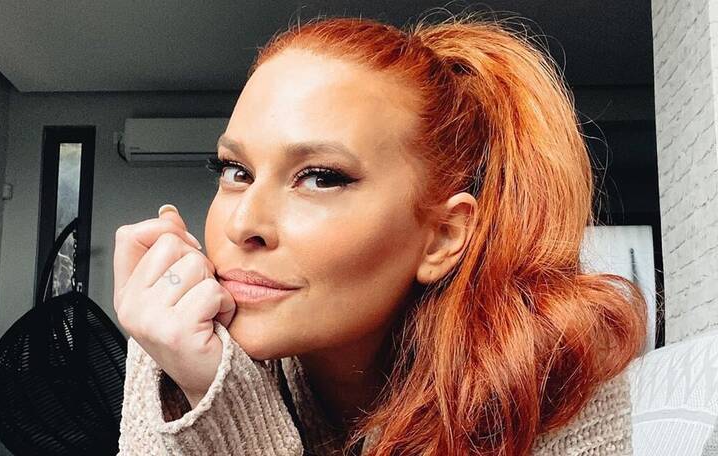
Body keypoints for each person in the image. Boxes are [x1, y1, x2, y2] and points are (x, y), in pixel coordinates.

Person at [113, 11, 647, 456]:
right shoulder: (176, 347)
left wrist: (230, 411)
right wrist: (201, 386)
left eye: (321, 178)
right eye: (236, 171)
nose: (241, 225)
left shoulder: (553, 371)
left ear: (442, 237)